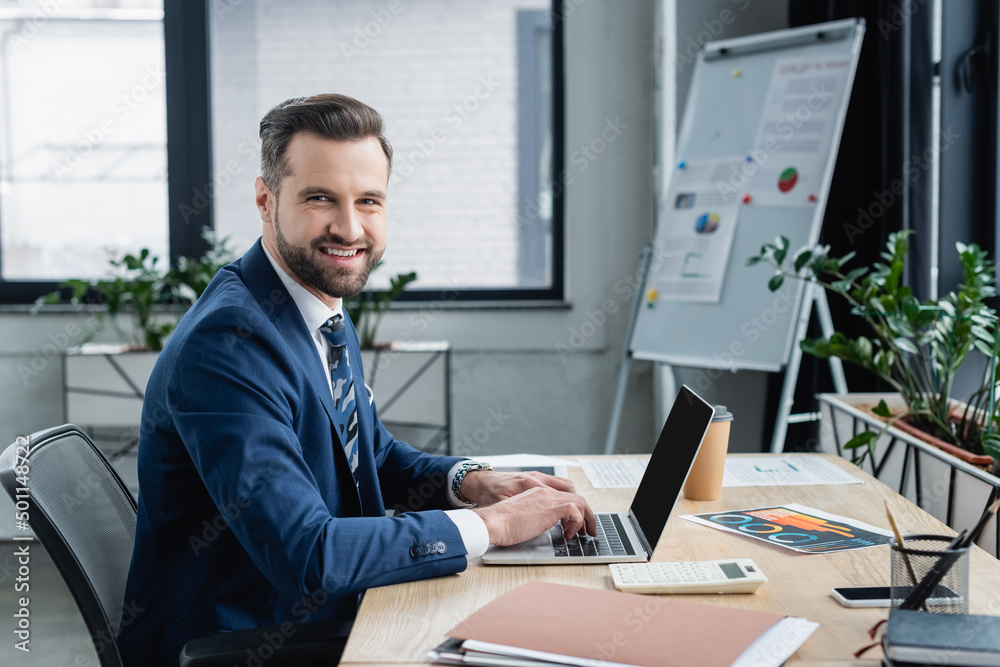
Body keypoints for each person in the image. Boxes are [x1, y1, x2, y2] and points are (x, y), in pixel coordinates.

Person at [117, 93, 596, 666]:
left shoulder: (313, 306)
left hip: (334, 614)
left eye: (369, 201)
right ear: (266, 200)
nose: (349, 227)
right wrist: (490, 527)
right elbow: (308, 555)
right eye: (321, 198)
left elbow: (367, 452)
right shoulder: (229, 346)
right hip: (247, 643)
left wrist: (472, 482)